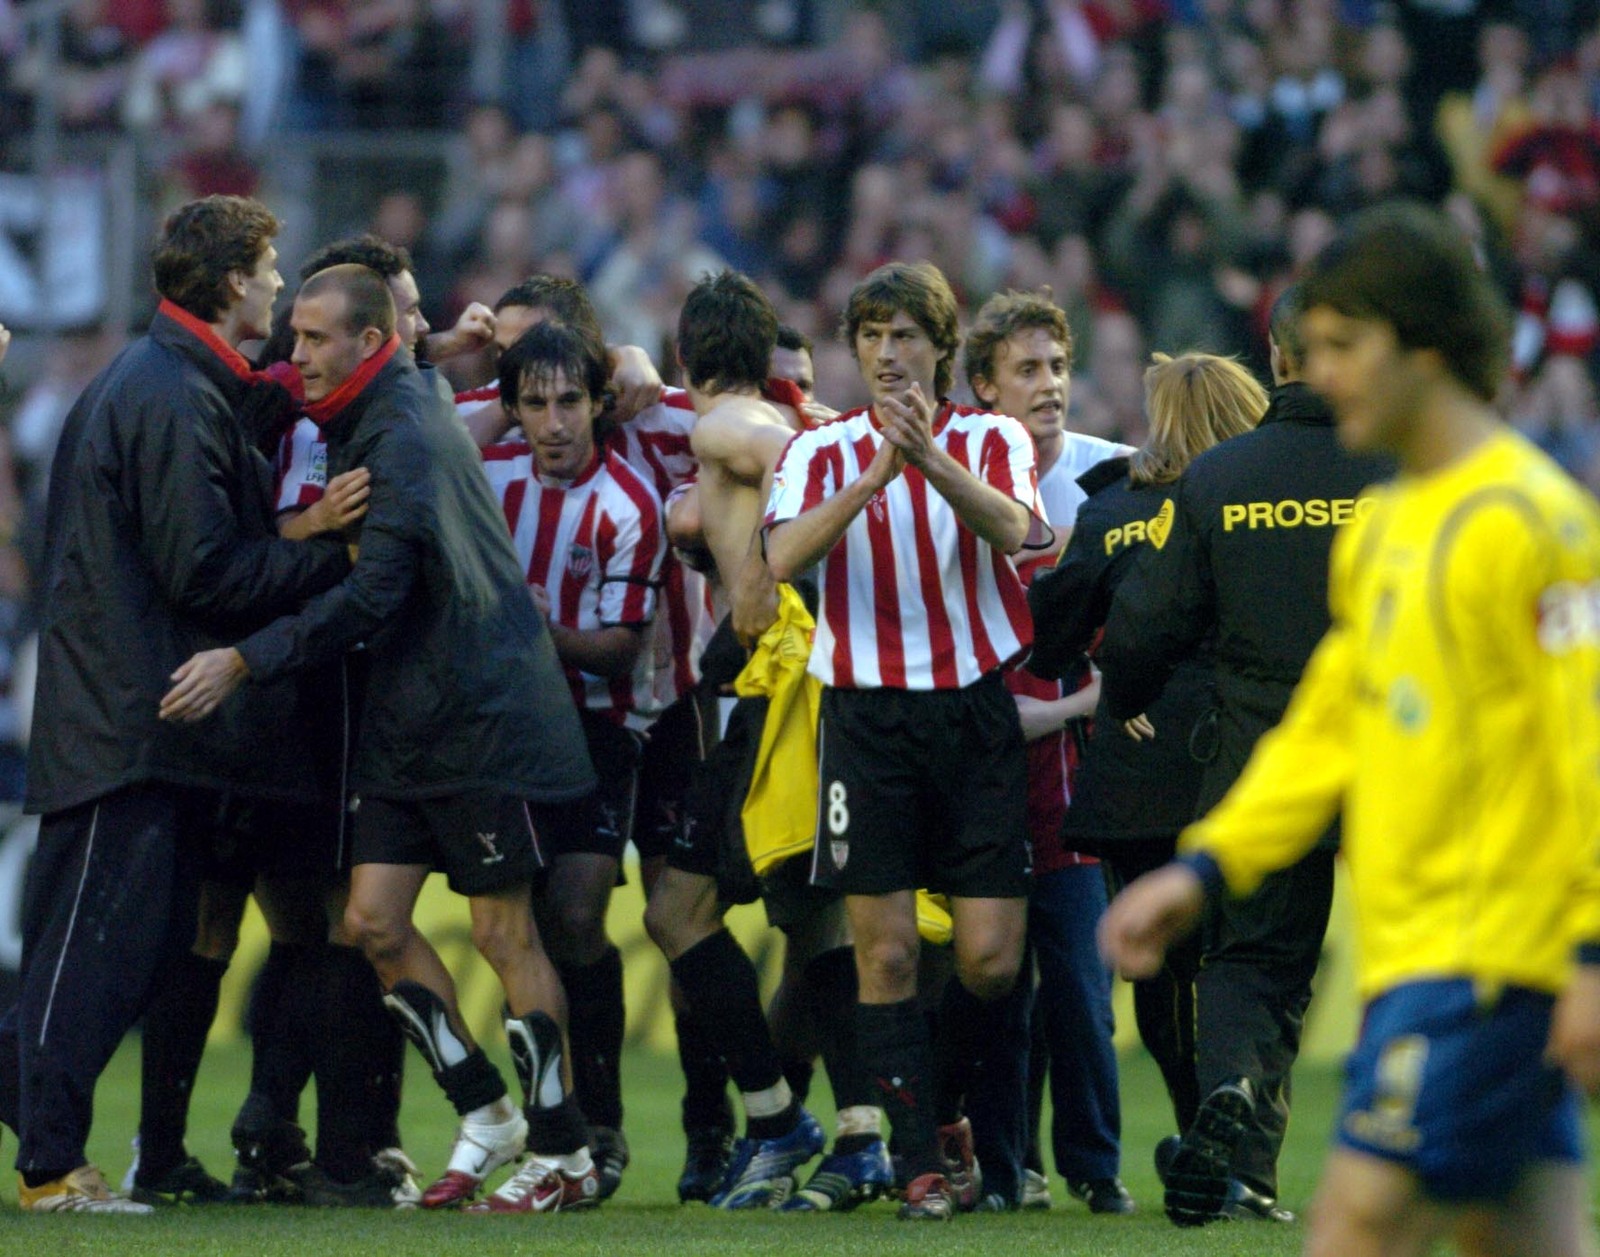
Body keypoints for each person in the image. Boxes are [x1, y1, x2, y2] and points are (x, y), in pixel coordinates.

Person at [1101, 202, 1600, 1257]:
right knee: (1522, 1233)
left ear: (1423, 346)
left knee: (1357, 1226)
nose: (1316, 375)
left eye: (1342, 348)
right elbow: (1328, 728)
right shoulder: (1384, 524)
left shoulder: (1533, 524)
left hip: (1492, 961)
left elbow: (1585, 749)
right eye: (1310, 348)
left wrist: (1591, 954)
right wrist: (1201, 874)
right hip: (1421, 953)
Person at [160, 263, 601, 1216]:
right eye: (293, 334)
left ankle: (563, 1150)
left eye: (314, 338)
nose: (295, 354)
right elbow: (407, 368)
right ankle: (486, 1109)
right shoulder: (403, 392)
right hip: (413, 720)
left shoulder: (400, 433)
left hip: (480, 712)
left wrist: (244, 660)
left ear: (367, 345)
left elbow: (372, 597)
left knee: (501, 930)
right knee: (370, 922)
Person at [0, 195, 351, 1214]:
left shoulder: (176, 380)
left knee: (127, 951)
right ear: (235, 279)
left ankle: (54, 1145)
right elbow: (202, 570)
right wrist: (321, 539)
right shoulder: (166, 394)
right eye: (273, 269)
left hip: (133, 714)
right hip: (127, 719)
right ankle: (53, 1171)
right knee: (94, 952)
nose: (283, 288)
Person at [1097, 286, 1390, 1227]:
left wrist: (1127, 701)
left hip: (1262, 758)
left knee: (1252, 961)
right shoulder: (1398, 471)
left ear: (1275, 353)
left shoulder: (1219, 477)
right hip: (1394, 752)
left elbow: (1146, 623)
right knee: (1417, 952)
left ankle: (1236, 1121)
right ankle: (1409, 1133)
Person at [764, 260, 1050, 1221]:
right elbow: (779, 558)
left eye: (908, 337)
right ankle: (921, 1160)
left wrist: (926, 461)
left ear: (940, 347)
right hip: (865, 719)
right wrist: (876, 475)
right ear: (854, 349)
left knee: (991, 958)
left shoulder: (992, 437)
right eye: (873, 336)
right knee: (882, 954)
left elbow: (1017, 530)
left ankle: (947, 1110)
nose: (890, 354)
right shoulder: (818, 452)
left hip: (971, 711)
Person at [1026, 351, 1266, 1195]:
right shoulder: (1265, 506)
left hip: (1141, 763)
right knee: (1252, 958)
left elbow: (1054, 634)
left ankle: (1197, 1120)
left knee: (1163, 969)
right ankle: (1244, 1146)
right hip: (1255, 756)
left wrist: (1107, 677)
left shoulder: (1116, 510)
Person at [639, 270, 825, 1210]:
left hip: (770, 696)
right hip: (792, 696)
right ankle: (845, 1126)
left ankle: (779, 1118)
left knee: (676, 914)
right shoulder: (755, 436)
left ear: (688, 361)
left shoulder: (729, 426)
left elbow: (760, 441)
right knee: (818, 919)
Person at [484, 316, 666, 1201]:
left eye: (569, 402)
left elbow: (623, 648)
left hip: (596, 728)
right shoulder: (485, 477)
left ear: (599, 402)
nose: (553, 423)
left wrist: (534, 631)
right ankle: (553, 1123)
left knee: (579, 913)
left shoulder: (630, 502)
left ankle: (604, 1116)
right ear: (511, 409)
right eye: (534, 405)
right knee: (514, 928)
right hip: (496, 733)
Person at [962, 288, 1132, 1215]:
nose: (1050, 386)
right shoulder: (953, 483)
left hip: (1076, 788)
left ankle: (1096, 1168)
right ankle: (1003, 1164)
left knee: (1078, 986)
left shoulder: (1117, 479)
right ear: (985, 387)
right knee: (994, 986)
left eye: (1058, 367)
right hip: (984, 783)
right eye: (1027, 370)